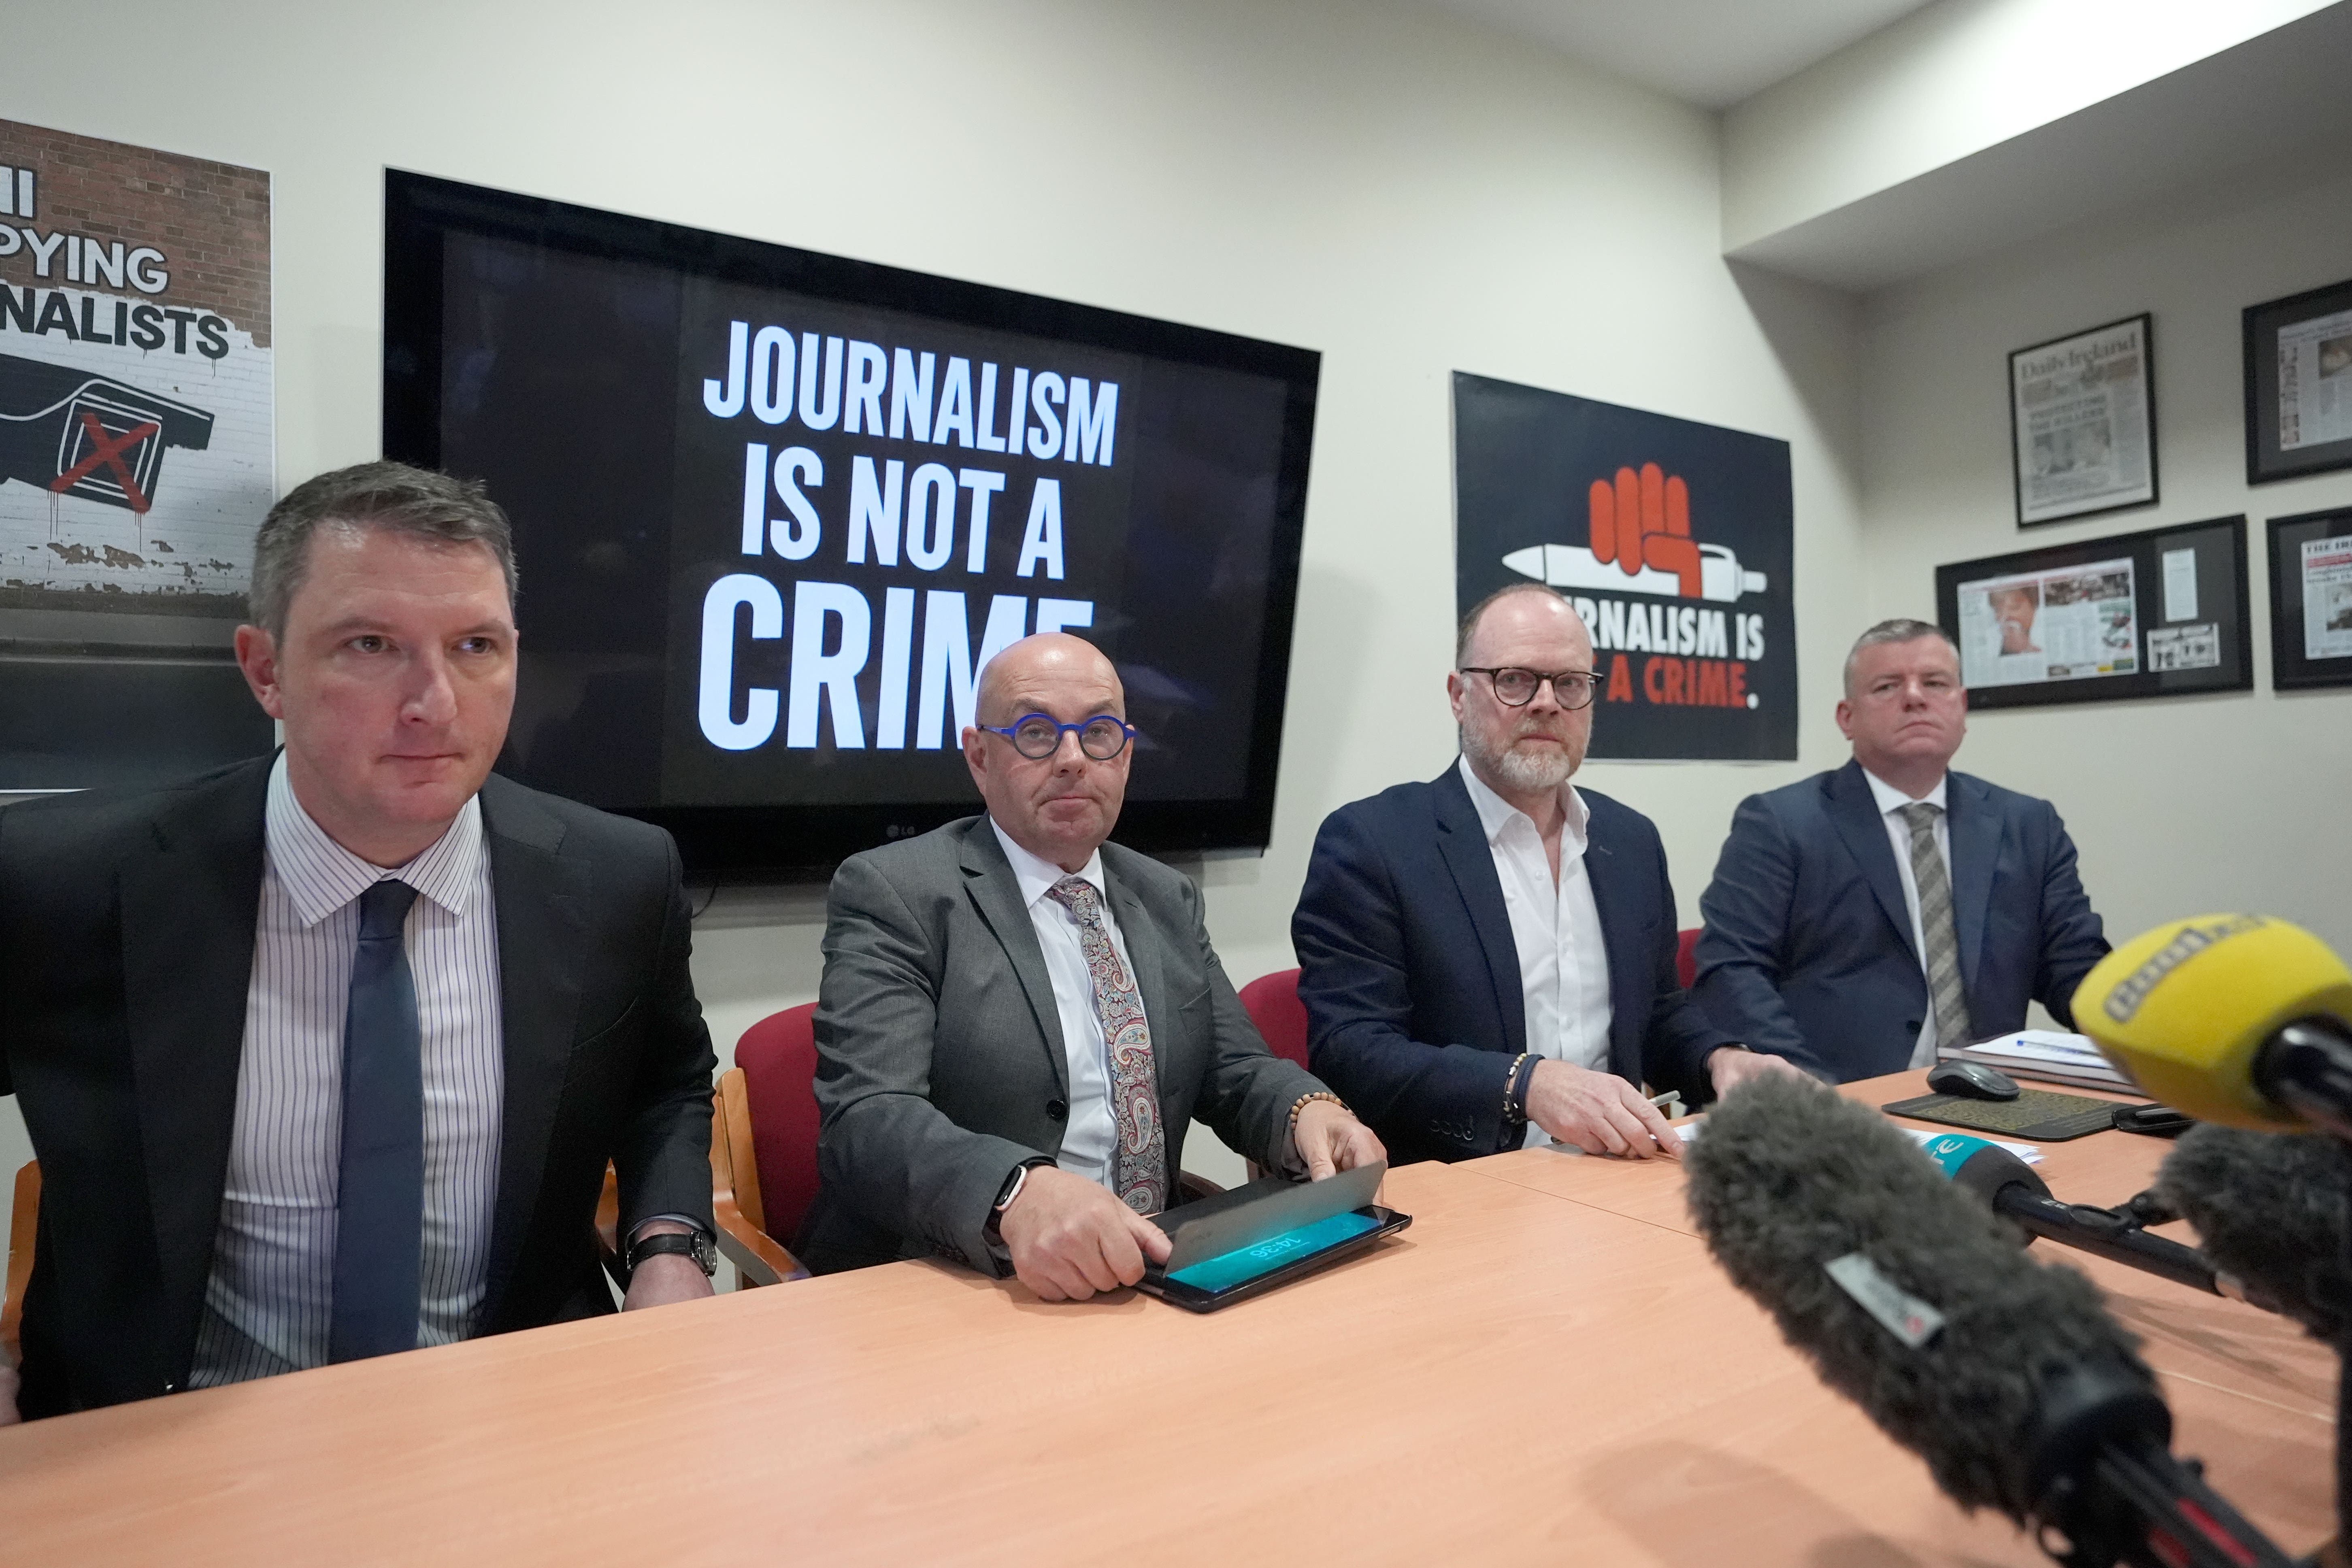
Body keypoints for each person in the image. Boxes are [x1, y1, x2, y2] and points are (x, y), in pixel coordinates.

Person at [0, 462, 719, 1424]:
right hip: (172, 1430)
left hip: (514, 1412)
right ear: (265, 670)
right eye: (371, 644)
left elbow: (665, 1081)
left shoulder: (618, 877)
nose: (436, 702)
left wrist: (669, 1245)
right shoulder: (65, 881)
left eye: (475, 645)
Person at [798, 632, 1383, 1298]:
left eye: (1098, 733)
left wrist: (1307, 1111)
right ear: (980, 756)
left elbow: (1235, 1072)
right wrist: (1015, 1190)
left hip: (1149, 1272)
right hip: (961, 1278)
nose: (1073, 759)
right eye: (1036, 733)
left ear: (1125, 756)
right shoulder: (897, 891)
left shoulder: (1164, 895)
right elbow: (868, 1116)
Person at [1292, 584, 1801, 1168]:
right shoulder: (1372, 843)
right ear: (1459, 696)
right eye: (1514, 680)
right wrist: (1524, 1084)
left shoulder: (1630, 841)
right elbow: (1351, 1051)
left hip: (1620, 1173)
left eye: (1570, 684)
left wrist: (1721, 1059)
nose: (1546, 703)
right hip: (1466, 1186)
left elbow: (1659, 1015)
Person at [1692, 617, 2108, 1083]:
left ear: (1961, 706)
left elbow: (2076, 968)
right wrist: (1802, 1085)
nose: (1914, 697)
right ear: (1846, 718)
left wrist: (2148, 1037)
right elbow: (1732, 970)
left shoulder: (2028, 824)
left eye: (1935, 683)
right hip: (1842, 1096)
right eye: (1887, 686)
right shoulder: (1780, 823)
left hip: (1995, 1093)